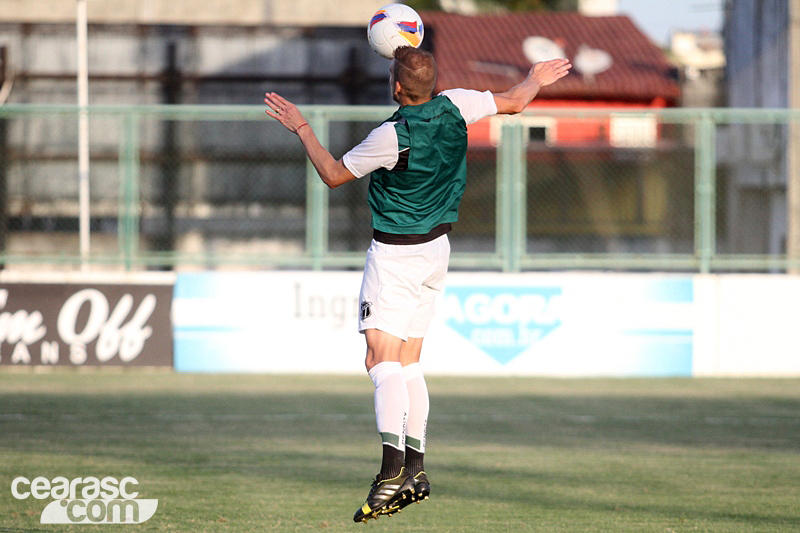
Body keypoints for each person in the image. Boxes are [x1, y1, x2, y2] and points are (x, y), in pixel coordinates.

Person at [265, 46, 570, 523]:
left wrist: (302, 127)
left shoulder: (392, 135)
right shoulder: (457, 104)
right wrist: (535, 77)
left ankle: (390, 472)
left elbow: (331, 173)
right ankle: (416, 471)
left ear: (397, 86)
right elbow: (514, 101)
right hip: (437, 251)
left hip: (396, 256)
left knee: (379, 360)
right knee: (407, 362)